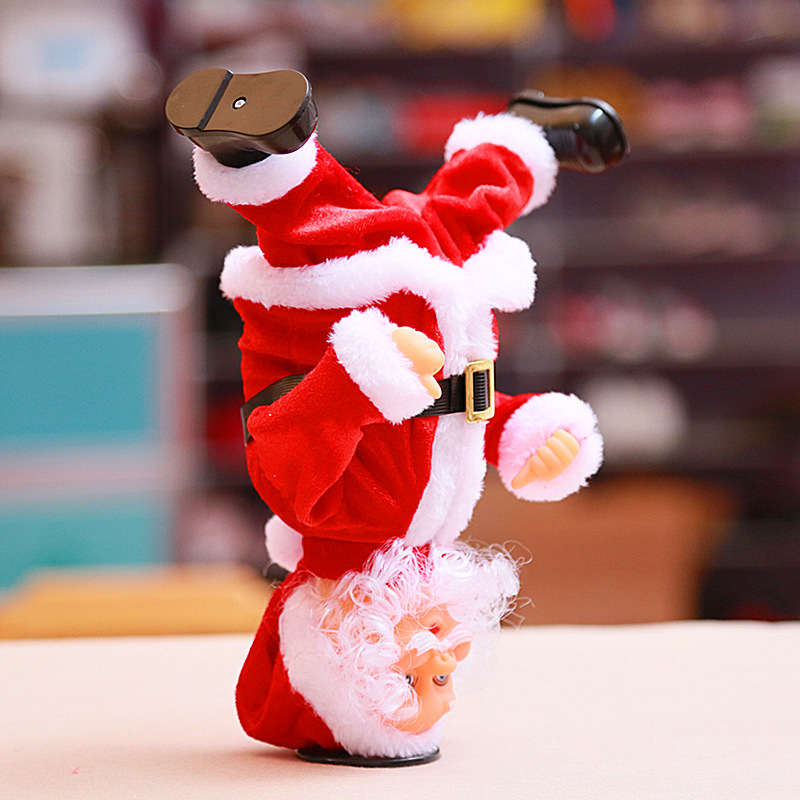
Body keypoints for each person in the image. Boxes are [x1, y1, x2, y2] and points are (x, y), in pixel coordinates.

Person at [166, 68, 624, 762]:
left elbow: (284, 441)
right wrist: (512, 428)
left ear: (350, 641)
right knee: (451, 221)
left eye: (421, 676)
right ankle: (522, 140)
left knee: (331, 230)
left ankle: (266, 155)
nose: (443, 663)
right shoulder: (405, 564)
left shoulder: (331, 516)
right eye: (445, 675)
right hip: (410, 333)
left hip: (336, 325)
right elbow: (454, 410)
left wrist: (356, 381)